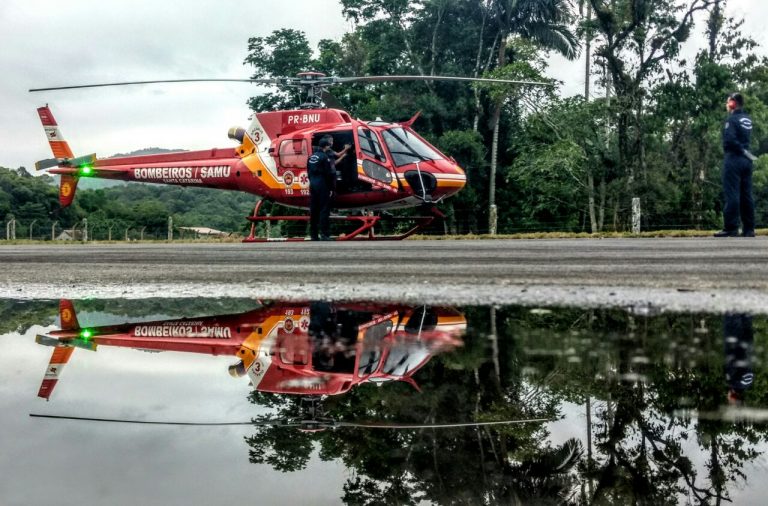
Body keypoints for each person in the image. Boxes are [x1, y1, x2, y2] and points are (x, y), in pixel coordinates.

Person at [715, 92, 756, 237]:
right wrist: (746, 152)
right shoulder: (747, 119)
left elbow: (729, 141)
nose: (727, 105)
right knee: (746, 194)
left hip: (734, 159)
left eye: (728, 102)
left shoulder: (731, 120)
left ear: (733, 103)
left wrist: (740, 150)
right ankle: (749, 229)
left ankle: (731, 227)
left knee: (732, 193)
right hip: (746, 160)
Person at [307, 135, 337, 241]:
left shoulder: (311, 157)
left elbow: (308, 172)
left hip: (313, 185)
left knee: (314, 210)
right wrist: (331, 189)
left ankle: (313, 235)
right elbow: (329, 173)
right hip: (322, 185)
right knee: (324, 209)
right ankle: (324, 234)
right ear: (326, 146)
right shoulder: (325, 157)